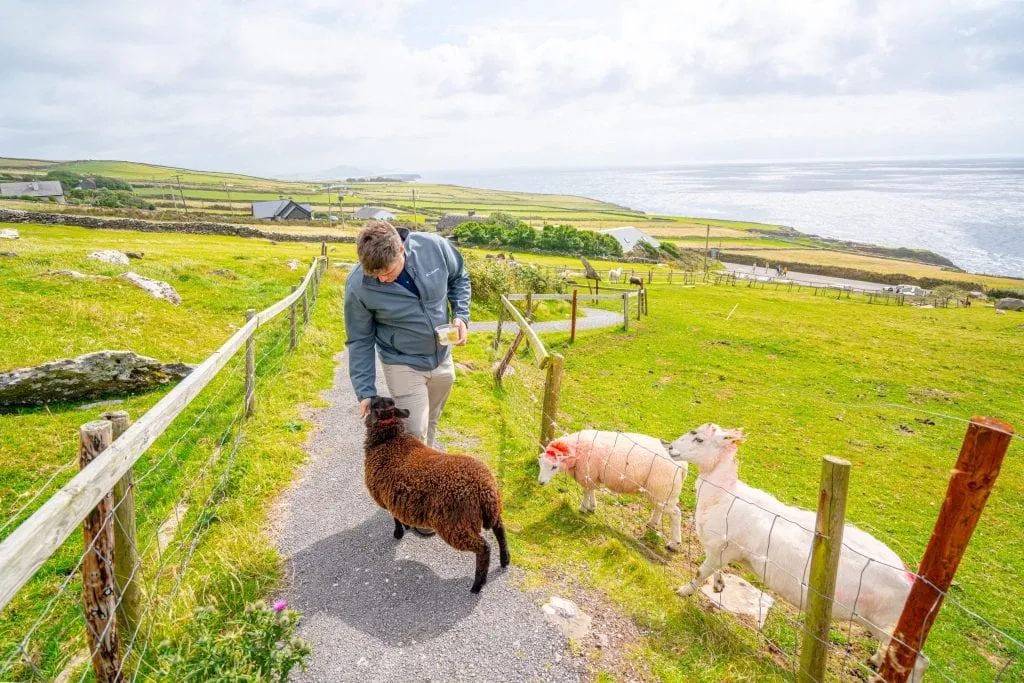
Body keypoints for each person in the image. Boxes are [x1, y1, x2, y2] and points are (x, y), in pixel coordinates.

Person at [344, 221, 471, 452]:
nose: (382, 279)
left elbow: (459, 276)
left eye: (388, 272)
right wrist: (365, 391)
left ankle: (426, 479)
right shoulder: (357, 286)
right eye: (375, 274)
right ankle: (411, 486)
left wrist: (461, 315)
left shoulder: (434, 247)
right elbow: (360, 340)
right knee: (413, 433)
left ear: (402, 250)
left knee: (430, 423)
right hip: (402, 362)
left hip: (442, 357)